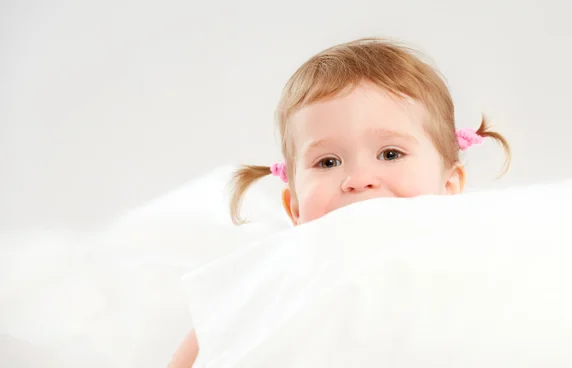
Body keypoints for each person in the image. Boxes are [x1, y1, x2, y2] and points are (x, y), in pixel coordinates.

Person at [168, 37, 511, 367]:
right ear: (296, 208)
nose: (359, 179)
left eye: (390, 154)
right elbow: (214, 326)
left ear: (449, 186)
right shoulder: (280, 273)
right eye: (328, 162)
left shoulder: (465, 268)